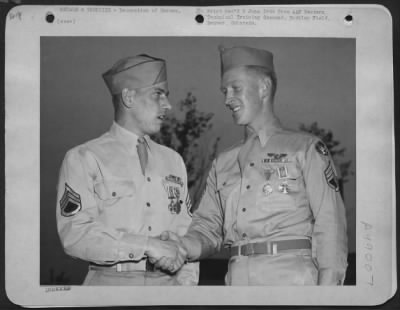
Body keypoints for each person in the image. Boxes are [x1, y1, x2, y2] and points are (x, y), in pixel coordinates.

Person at [160, 46, 348, 286]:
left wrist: (328, 296)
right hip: (236, 283)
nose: (227, 99)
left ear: (263, 88)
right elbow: (208, 228)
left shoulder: (305, 148)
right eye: (224, 91)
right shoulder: (223, 162)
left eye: (236, 88)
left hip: (293, 283)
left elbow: (330, 225)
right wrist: (182, 245)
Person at [56, 54, 198, 285]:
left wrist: (187, 288)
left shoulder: (173, 161)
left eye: (167, 96)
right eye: (158, 94)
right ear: (129, 97)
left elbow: (186, 232)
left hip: (169, 289)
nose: (168, 105)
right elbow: (76, 235)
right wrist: (147, 245)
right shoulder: (84, 158)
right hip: (110, 287)